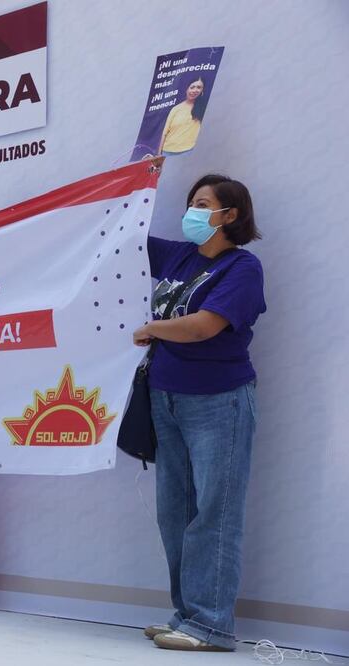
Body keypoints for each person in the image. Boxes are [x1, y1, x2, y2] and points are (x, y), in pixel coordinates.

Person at [132, 174, 265, 652]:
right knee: (175, 514)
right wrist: (134, 177)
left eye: (203, 204)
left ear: (231, 215)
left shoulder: (242, 267)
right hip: (166, 399)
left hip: (218, 401)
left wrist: (153, 328)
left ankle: (211, 626)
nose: (192, 210)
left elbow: (204, 326)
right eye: (192, 202)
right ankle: (186, 616)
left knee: (214, 512)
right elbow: (121, 236)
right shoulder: (180, 256)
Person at [158, 77, 207, 155]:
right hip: (168, 151)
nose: (195, 90)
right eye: (192, 87)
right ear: (186, 89)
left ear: (202, 90)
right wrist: (158, 155)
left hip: (189, 151)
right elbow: (164, 133)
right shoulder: (176, 109)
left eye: (198, 87)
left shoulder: (204, 108)